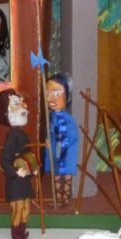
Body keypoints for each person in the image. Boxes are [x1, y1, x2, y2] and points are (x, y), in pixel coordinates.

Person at [0, 88, 34, 239]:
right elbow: (4, 159)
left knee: (26, 206)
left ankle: (22, 231)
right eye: (17, 103)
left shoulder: (22, 134)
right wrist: (15, 172)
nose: (24, 107)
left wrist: (33, 168)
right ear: (7, 113)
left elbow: (28, 155)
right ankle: (16, 234)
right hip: (16, 180)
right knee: (18, 207)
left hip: (24, 178)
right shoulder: (12, 137)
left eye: (22, 102)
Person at [43, 72, 79, 207]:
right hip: (56, 150)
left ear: (67, 96)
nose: (52, 98)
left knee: (64, 173)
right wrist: (49, 141)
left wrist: (55, 147)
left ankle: (63, 199)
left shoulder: (64, 119)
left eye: (57, 93)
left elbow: (63, 137)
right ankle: (59, 199)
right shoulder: (54, 116)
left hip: (64, 151)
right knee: (57, 174)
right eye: (48, 93)